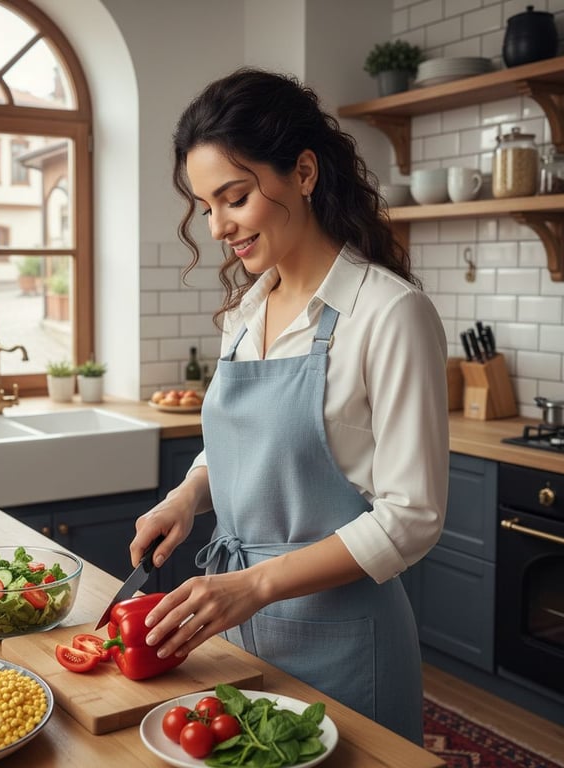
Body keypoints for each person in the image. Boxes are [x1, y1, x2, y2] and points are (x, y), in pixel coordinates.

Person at [131, 68, 449, 743]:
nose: (216, 227)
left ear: (303, 173)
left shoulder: (389, 314)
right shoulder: (243, 316)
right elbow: (240, 451)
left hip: (346, 646)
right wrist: (187, 497)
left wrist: (256, 585)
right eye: (205, 206)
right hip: (241, 635)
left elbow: (412, 517)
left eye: (234, 197)